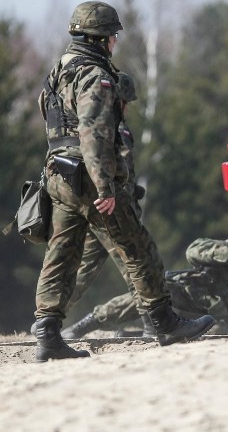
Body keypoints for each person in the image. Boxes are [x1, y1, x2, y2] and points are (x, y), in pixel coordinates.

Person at [33, 0, 214, 362]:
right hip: (88, 176)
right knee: (138, 248)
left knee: (62, 254)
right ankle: (164, 322)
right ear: (99, 39)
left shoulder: (58, 71)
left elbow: (54, 123)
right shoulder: (94, 76)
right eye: (112, 36)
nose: (115, 42)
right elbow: (94, 133)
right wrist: (105, 187)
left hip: (58, 173)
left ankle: (47, 333)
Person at [62, 226, 228, 337]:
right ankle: (88, 324)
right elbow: (195, 250)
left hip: (208, 321)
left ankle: (137, 336)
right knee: (152, 296)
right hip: (187, 295)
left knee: (218, 329)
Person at [58, 72, 153, 339]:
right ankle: (151, 323)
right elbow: (120, 170)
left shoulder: (92, 125)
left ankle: (48, 319)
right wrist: (129, 196)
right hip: (113, 211)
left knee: (81, 271)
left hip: (94, 207)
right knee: (137, 264)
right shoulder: (116, 130)